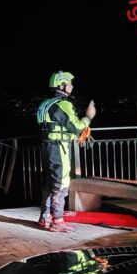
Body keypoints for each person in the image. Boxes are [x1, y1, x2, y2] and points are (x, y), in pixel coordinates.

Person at [36, 71, 96, 233]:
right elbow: (76, 127)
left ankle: (45, 217)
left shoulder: (45, 104)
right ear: (61, 85)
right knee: (61, 183)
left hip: (47, 147)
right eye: (69, 83)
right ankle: (57, 220)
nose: (72, 86)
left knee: (50, 183)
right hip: (58, 148)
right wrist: (88, 117)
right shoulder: (63, 104)